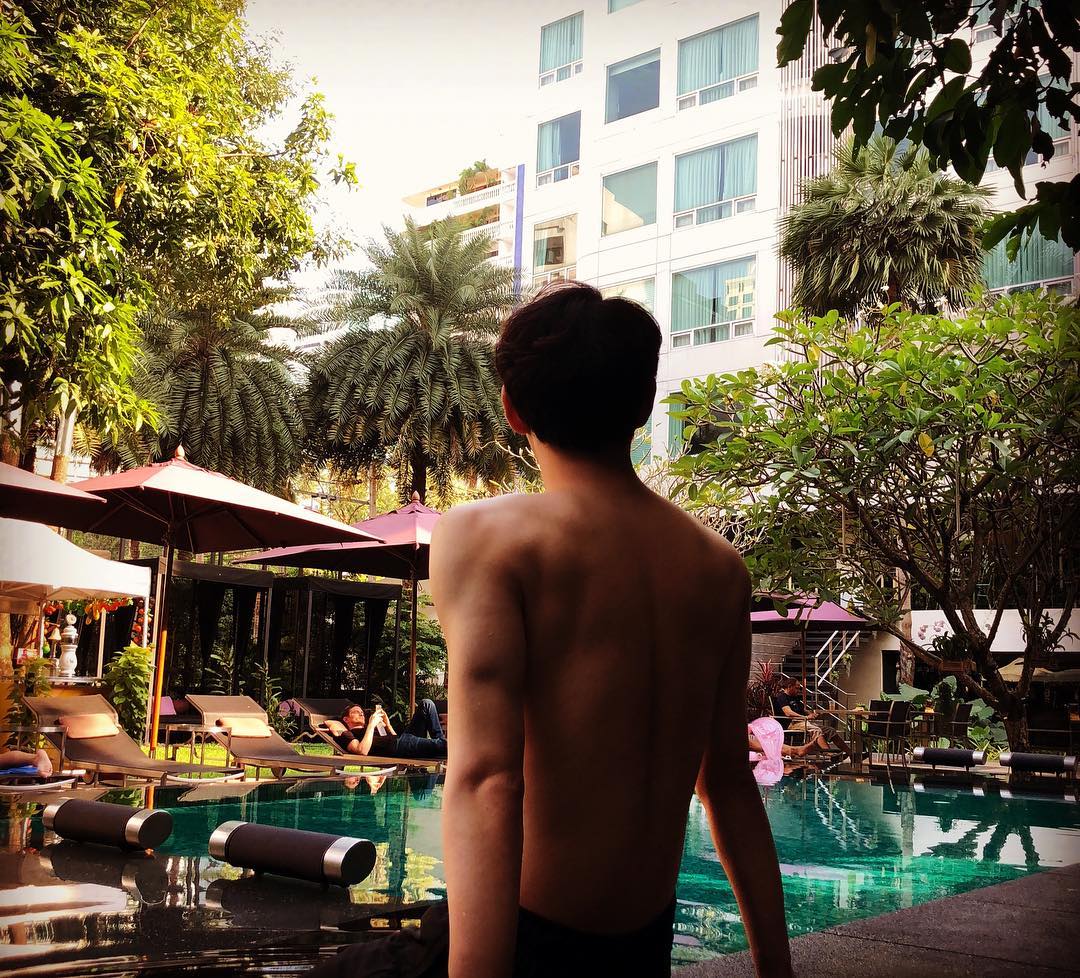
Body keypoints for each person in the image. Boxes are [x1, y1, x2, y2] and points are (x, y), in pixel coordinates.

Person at [309, 283, 792, 978]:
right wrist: (776, 968)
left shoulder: (490, 538)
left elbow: (487, 777)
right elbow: (729, 785)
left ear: (512, 408)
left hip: (520, 941)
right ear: (644, 403)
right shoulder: (719, 567)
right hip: (640, 951)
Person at [332, 700, 447, 760]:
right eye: (356, 712)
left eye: (361, 711)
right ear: (346, 719)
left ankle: (440, 742)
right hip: (399, 747)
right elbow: (362, 751)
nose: (361, 713)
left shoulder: (369, 728)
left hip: (403, 740)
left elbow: (393, 737)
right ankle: (443, 745)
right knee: (444, 745)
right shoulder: (348, 734)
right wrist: (371, 724)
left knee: (427, 704)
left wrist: (388, 725)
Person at [774, 678, 849, 757]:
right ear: (789, 686)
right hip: (792, 723)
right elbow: (788, 713)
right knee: (816, 730)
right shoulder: (782, 697)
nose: (798, 690)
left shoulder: (795, 698)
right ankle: (828, 753)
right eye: (797, 688)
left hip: (803, 722)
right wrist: (806, 717)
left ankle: (850, 753)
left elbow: (803, 710)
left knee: (830, 730)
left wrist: (812, 714)